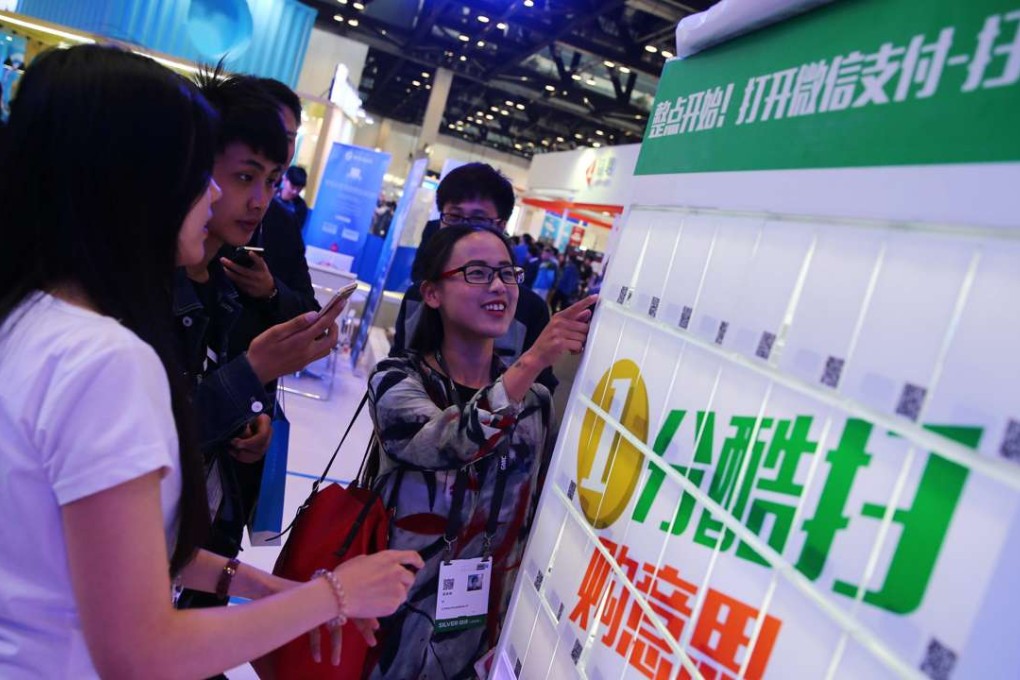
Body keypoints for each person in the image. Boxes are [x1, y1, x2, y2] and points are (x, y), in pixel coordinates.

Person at [0, 45, 422, 679]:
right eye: (199, 170)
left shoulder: (30, 316)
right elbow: (141, 651)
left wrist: (264, 586)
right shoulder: (106, 359)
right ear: (133, 184)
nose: (216, 195)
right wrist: (333, 595)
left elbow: (104, 535)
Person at [366, 224, 597, 679]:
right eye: (476, 273)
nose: (498, 286)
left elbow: (530, 520)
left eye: (508, 274)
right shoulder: (396, 381)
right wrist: (532, 361)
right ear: (432, 293)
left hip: (483, 631)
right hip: (387, 619)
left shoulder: (535, 403)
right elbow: (446, 441)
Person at [391, 162, 558, 394]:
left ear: (502, 225)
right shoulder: (416, 297)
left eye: (478, 220)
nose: (464, 231)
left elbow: (538, 399)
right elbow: (397, 371)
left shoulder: (528, 310)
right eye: (454, 217)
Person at [278, 164, 309, 231]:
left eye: (299, 189)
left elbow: (295, 232)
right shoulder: (272, 194)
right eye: (292, 187)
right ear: (284, 180)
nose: (295, 192)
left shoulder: (301, 207)